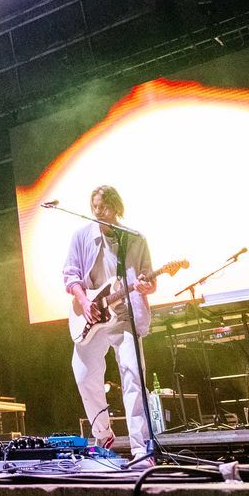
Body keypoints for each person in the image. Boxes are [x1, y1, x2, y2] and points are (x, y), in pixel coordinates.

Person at [61, 185, 158, 455]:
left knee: (133, 376)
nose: (97, 212)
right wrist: (84, 301)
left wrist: (147, 285)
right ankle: (103, 434)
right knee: (84, 376)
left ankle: (141, 448)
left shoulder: (135, 238)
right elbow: (70, 274)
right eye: (94, 207)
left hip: (125, 314)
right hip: (92, 316)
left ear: (115, 207)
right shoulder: (82, 236)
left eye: (102, 207)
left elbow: (149, 280)